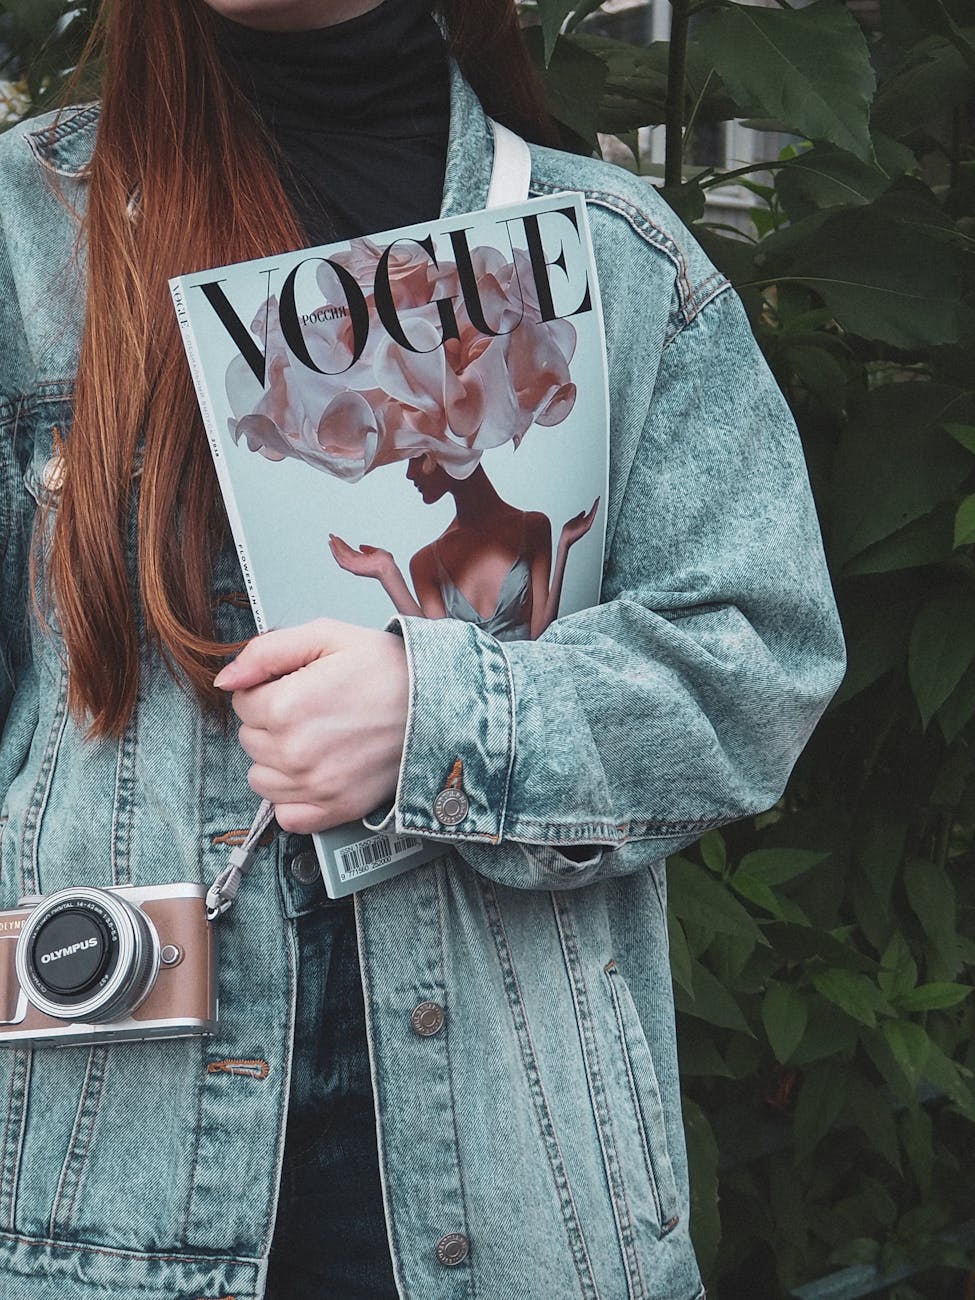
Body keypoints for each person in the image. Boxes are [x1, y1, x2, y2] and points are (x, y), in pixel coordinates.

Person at [0, 2, 846, 1300]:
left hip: (527, 1207)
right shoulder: (21, 244)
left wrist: (440, 714)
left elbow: (752, 661)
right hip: (86, 1192)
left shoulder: (609, 259)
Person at [327, 457, 600, 640]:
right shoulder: (425, 563)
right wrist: (386, 572)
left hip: (536, 691)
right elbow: (441, 654)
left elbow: (540, 634)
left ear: (450, 452)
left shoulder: (535, 527)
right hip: (474, 708)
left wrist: (564, 545)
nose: (409, 473)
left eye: (417, 457)